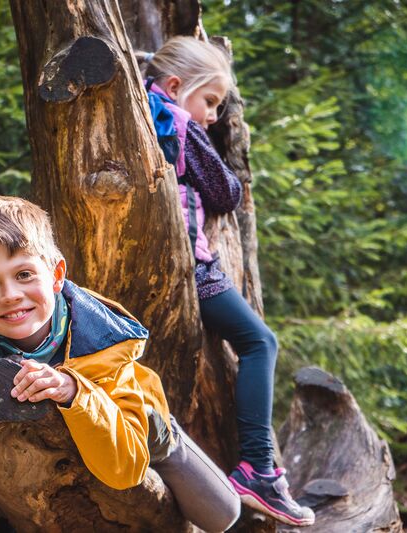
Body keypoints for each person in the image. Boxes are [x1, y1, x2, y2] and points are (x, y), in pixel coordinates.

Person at [0, 196, 241, 533]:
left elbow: (125, 471)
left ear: (57, 274)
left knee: (223, 515)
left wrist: (74, 390)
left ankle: (172, 442)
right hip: (42, 454)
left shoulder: (104, 340)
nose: (11, 294)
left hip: (137, 433)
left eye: (25, 274)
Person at [138, 36, 315, 527]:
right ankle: (258, 469)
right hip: (192, 270)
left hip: (167, 267)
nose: (213, 116)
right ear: (176, 86)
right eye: (210, 100)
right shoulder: (176, 119)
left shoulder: (143, 111)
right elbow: (227, 190)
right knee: (260, 341)